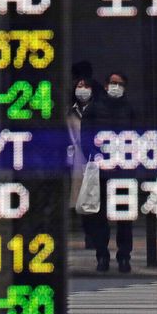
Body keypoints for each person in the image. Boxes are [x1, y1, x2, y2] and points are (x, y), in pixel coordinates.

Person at [81, 72, 137, 273]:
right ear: (106, 85)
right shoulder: (94, 108)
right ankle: (102, 256)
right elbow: (85, 138)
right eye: (113, 83)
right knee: (100, 216)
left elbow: (137, 137)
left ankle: (124, 257)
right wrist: (95, 158)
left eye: (120, 84)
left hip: (123, 170)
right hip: (102, 170)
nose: (116, 86)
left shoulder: (129, 109)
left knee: (124, 217)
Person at [67, 77, 97, 248]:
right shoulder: (70, 113)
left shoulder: (97, 109)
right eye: (80, 85)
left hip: (93, 159)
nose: (83, 89)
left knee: (91, 199)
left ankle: (92, 237)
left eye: (86, 85)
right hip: (77, 159)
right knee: (78, 197)